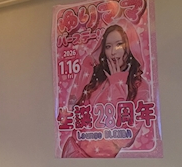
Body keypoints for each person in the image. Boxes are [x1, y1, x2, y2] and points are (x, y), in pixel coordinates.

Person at [61, 24, 146, 158]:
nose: (113, 52)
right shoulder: (97, 75)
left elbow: (124, 139)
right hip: (72, 152)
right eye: (108, 46)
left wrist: (117, 84)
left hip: (100, 162)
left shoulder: (140, 86)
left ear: (130, 47)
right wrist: (88, 65)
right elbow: (70, 111)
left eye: (119, 44)